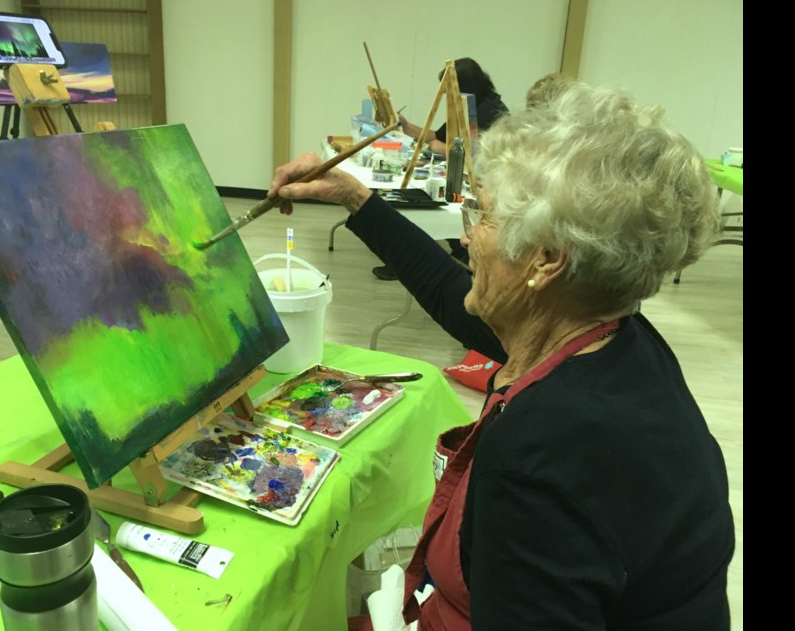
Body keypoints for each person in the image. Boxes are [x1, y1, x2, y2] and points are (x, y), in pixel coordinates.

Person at [268, 82, 735, 629]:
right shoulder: (616, 334)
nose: (467, 239)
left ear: (546, 261)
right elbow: (450, 293)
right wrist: (354, 197)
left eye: (484, 217)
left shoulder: (541, 453)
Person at [373, 57, 510, 281]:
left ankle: (415, 259)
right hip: (464, 176)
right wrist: (406, 127)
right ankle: (455, 252)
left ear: (463, 87)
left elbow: (479, 154)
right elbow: (435, 138)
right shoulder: (466, 105)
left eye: (448, 90)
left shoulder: (490, 111)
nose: (446, 96)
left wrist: (446, 148)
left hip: (484, 182)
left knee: (429, 209)